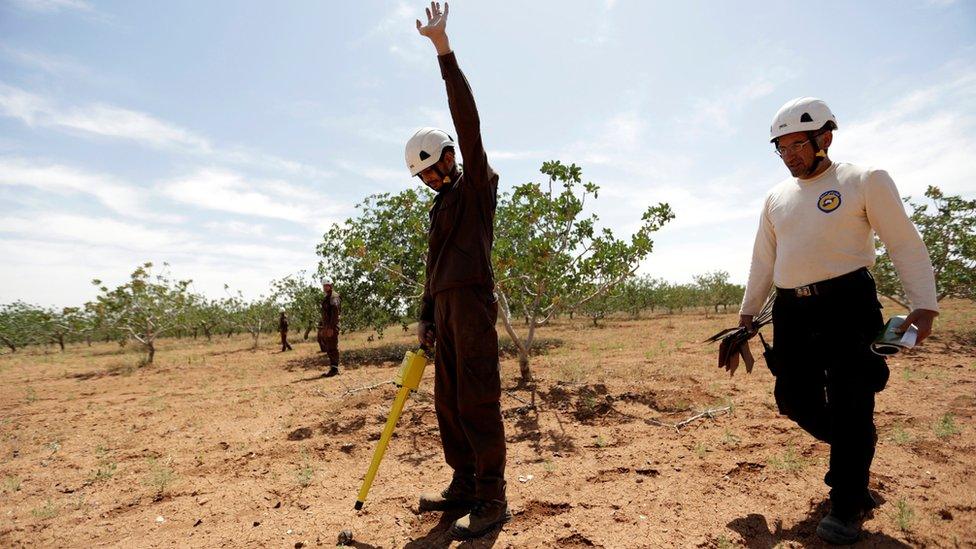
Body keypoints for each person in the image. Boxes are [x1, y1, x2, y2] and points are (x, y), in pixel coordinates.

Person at [736, 97, 939, 544]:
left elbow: (904, 243)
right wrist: (748, 312)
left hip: (848, 304)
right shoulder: (776, 199)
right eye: (781, 148)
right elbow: (762, 261)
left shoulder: (864, 180)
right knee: (793, 399)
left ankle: (846, 502)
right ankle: (857, 449)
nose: (790, 155)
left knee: (852, 401)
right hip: (791, 311)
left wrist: (924, 304)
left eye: (797, 145)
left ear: (824, 138)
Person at [408, 2, 508, 539]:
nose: (430, 178)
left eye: (434, 166)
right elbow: (432, 268)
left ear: (450, 157)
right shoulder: (440, 207)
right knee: (447, 400)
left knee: (477, 398)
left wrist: (444, 52)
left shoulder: (474, 188)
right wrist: (426, 314)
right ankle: (464, 481)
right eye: (422, 175)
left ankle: (492, 495)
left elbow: (468, 121)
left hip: (471, 303)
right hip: (444, 308)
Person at [317, 279, 340, 377]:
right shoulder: (327, 297)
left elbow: (335, 313)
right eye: (324, 286)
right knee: (329, 347)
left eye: (327, 285)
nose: (325, 287)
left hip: (332, 327)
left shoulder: (333, 297)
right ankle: (333, 368)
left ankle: (334, 369)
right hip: (327, 326)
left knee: (333, 347)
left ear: (331, 285)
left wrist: (331, 327)